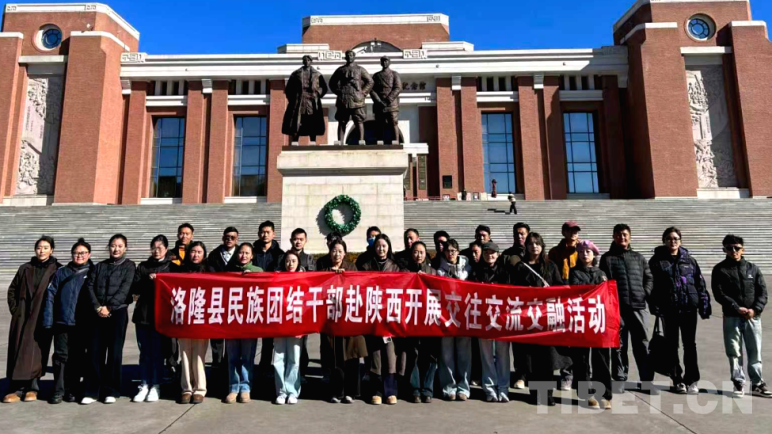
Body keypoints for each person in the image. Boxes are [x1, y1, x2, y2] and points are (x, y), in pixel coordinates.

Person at [649, 227, 711, 396]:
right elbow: (651, 286)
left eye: (676, 238)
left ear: (680, 241)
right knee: (671, 346)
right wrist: (654, 305)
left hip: (688, 308)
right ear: (664, 241)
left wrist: (704, 304)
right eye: (669, 238)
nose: (673, 241)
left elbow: (699, 283)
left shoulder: (689, 261)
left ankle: (692, 379)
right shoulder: (656, 261)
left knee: (690, 345)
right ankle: (677, 380)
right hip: (668, 309)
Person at [4, 235, 61, 404]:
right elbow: (12, 290)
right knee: (17, 350)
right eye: (39, 247)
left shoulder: (57, 269)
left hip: (42, 316)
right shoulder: (25, 268)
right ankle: (15, 388)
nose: (41, 251)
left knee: (37, 352)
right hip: (22, 317)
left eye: (45, 248)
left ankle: (32, 388)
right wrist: (16, 310)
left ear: (52, 250)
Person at [511, 232, 567, 406]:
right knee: (532, 359)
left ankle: (548, 395)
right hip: (529, 319)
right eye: (531, 243)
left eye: (537, 243)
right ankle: (535, 394)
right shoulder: (520, 267)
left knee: (547, 359)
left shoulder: (550, 266)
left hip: (547, 318)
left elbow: (560, 287)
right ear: (526, 247)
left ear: (542, 246)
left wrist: (549, 290)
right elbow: (513, 291)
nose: (534, 246)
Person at [712, 234, 770, 398]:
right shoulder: (720, 269)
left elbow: (762, 292)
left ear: (742, 249)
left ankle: (757, 383)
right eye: (729, 248)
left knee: (755, 351)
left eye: (737, 248)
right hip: (732, 316)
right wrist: (736, 308)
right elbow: (719, 294)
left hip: (752, 317)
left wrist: (755, 310)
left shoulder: (753, 269)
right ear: (724, 250)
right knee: (734, 351)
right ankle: (738, 381)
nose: (733, 251)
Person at [600, 224, 655, 394]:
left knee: (643, 345)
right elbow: (604, 282)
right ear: (613, 237)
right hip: (618, 309)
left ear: (630, 237)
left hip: (639, 307)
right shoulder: (607, 258)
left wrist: (644, 293)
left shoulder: (638, 257)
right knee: (619, 346)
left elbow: (649, 277)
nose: (621, 238)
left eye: (624, 234)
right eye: (618, 235)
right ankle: (620, 379)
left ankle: (646, 381)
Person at [80, 234, 136, 405]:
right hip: (97, 313)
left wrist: (109, 307)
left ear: (125, 248)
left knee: (114, 352)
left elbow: (125, 289)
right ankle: (91, 390)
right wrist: (98, 307)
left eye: (119, 246)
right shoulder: (99, 266)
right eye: (113, 245)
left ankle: (111, 390)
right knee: (94, 352)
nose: (116, 249)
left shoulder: (129, 266)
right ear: (109, 247)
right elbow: (89, 286)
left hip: (117, 313)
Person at [42, 238, 92, 405]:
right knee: (60, 357)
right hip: (62, 322)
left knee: (77, 357)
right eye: (76, 253)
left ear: (89, 254)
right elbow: (50, 295)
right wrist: (48, 320)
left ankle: (72, 389)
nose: (79, 255)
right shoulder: (61, 272)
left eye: (83, 253)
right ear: (71, 254)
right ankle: (58, 390)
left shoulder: (93, 271)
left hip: (82, 323)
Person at [318, 239, 367, 403]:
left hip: (349, 319)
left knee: (351, 356)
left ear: (345, 253)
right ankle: (337, 391)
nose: (336, 254)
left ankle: (351, 392)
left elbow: (359, 288)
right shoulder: (324, 269)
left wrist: (345, 277)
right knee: (335, 357)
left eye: (340, 251)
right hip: (331, 319)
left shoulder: (352, 268)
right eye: (334, 251)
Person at [358, 233, 401, 405]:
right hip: (373, 315)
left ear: (388, 247)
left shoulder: (396, 267)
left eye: (384, 246)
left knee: (390, 354)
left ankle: (390, 391)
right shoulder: (366, 266)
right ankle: (376, 391)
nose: (381, 249)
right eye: (378, 246)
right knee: (375, 354)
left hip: (390, 316)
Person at [130, 235, 174, 403]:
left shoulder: (171, 267)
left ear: (166, 249)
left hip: (162, 315)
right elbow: (135, 288)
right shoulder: (143, 266)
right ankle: (144, 384)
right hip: (143, 314)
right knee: (144, 353)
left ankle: (156, 384)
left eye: (160, 248)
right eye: (154, 248)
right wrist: (148, 280)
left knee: (157, 352)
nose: (156, 251)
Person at [470, 242, 512, 403]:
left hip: (502, 318)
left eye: (492, 252)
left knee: (503, 355)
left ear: (498, 254)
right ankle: (489, 388)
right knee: (486, 355)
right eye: (486, 253)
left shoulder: (505, 271)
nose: (490, 255)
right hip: (484, 318)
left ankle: (503, 388)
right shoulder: (476, 271)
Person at [569, 240, 608, 409]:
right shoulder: (574, 272)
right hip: (581, 319)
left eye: (588, 251)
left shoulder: (602, 273)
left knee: (601, 359)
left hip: (598, 318)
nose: (585, 254)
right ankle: (586, 394)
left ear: (594, 254)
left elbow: (606, 294)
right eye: (581, 252)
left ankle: (604, 394)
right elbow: (576, 291)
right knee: (582, 359)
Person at [435, 239, 473, 402]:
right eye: (448, 251)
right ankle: (449, 387)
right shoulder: (439, 271)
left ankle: (463, 387)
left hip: (464, 316)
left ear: (458, 252)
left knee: (464, 354)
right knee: (446, 354)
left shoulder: (468, 268)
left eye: (453, 251)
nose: (450, 254)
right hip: (446, 317)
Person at [225, 243, 264, 404]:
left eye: (247, 253)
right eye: (241, 252)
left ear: (252, 256)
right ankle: (233, 387)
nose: (243, 255)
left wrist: (252, 277)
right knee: (232, 357)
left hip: (250, 321)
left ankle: (245, 387)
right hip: (232, 319)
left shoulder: (258, 271)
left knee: (247, 357)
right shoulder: (229, 271)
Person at [401, 241, 439, 403]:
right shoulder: (404, 272)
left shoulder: (433, 272)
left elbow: (439, 293)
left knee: (430, 355)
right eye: (416, 252)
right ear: (411, 254)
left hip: (429, 319)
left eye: (422, 252)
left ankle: (428, 389)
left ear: (426, 254)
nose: (418, 255)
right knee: (413, 354)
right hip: (411, 319)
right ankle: (415, 389)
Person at [176, 241, 212, 404]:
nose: (195, 255)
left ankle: (200, 389)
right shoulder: (180, 270)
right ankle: (186, 388)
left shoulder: (209, 271)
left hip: (202, 318)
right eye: (193, 251)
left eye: (199, 252)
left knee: (198, 355)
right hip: (183, 318)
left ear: (204, 254)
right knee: (184, 353)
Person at [548, 220, 581, 391]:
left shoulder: (583, 249)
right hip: (561, 296)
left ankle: (581, 374)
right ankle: (567, 374)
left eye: (575, 230)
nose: (573, 233)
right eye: (570, 230)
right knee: (564, 337)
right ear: (563, 232)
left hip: (579, 296)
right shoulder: (555, 252)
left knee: (579, 337)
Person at [206, 226, 240, 394]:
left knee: (232, 343)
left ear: (237, 239)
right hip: (217, 302)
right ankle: (216, 375)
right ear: (222, 238)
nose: (229, 239)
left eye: (232, 237)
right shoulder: (213, 255)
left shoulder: (241, 253)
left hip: (235, 303)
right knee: (217, 342)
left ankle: (230, 377)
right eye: (227, 237)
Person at [252, 221, 284, 378]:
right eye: (262, 232)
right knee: (250, 335)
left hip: (272, 299)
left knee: (268, 338)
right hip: (253, 298)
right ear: (259, 234)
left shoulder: (280, 254)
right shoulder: (251, 251)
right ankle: (249, 367)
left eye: (268, 232)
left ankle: (265, 367)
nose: (265, 235)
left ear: (273, 234)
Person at [274, 251, 305, 405]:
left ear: (298, 263)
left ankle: (292, 391)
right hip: (279, 323)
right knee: (278, 358)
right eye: (287, 261)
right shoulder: (277, 278)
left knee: (294, 359)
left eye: (293, 261)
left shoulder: (304, 279)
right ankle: (281, 391)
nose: (290, 264)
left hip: (296, 323)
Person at [503, 222, 530, 389]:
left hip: (533, 304)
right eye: (517, 234)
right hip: (515, 304)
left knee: (533, 341)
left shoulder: (535, 252)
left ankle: (532, 373)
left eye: (522, 233)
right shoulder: (507, 255)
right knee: (518, 343)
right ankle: (520, 375)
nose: (519, 236)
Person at [329, 49, 374, 143]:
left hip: (357, 99)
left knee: (358, 120)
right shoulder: (340, 70)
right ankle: (340, 141)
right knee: (342, 121)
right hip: (343, 99)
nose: (350, 57)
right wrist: (338, 91)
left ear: (354, 57)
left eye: (351, 55)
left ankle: (361, 140)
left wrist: (363, 93)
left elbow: (370, 81)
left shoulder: (360, 69)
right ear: (346, 57)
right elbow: (332, 82)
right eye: (348, 55)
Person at [282, 54, 328, 143]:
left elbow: (324, 88)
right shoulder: (296, 74)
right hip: (299, 100)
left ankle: (313, 141)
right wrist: (293, 99)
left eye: (308, 60)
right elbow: (288, 89)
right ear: (303, 61)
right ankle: (295, 142)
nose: (307, 62)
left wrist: (317, 93)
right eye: (305, 60)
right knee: (297, 120)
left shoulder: (317, 74)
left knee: (312, 120)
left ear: (311, 61)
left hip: (312, 101)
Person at [370, 56, 402, 143]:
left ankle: (396, 141)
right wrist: (378, 101)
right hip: (379, 104)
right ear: (381, 63)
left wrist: (388, 100)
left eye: (386, 61)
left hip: (391, 104)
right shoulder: (376, 76)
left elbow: (398, 88)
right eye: (383, 61)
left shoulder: (394, 74)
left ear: (389, 62)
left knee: (393, 122)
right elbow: (371, 90)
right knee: (379, 123)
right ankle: (379, 142)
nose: (385, 63)